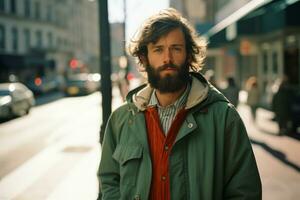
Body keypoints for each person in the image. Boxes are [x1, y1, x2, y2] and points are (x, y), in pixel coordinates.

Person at [98, 8, 261, 200]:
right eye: (158, 49)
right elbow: (109, 183)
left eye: (176, 48)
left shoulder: (224, 117)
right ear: (144, 59)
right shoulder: (121, 120)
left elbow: (245, 191)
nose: (167, 58)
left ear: (189, 56)